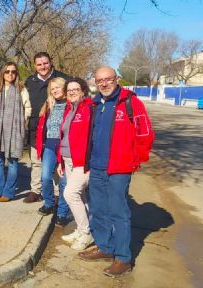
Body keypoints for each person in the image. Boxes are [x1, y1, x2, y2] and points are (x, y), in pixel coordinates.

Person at [78, 67, 154, 277]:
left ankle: (122, 258)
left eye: (108, 79)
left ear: (117, 79)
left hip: (119, 168)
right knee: (98, 209)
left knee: (118, 213)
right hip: (97, 167)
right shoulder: (94, 104)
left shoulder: (130, 102)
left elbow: (145, 133)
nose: (104, 84)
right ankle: (105, 247)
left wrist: (135, 160)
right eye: (99, 80)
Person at [23, 52, 70, 203]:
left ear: (50, 62)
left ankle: (56, 193)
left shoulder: (63, 79)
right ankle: (35, 190)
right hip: (35, 128)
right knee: (36, 161)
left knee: (56, 162)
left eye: (45, 63)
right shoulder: (30, 81)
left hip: (56, 130)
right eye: (39, 64)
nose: (43, 67)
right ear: (34, 66)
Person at [56, 78, 93, 250]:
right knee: (81, 197)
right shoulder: (68, 109)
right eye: (69, 89)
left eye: (75, 89)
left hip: (82, 161)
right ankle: (80, 230)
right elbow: (63, 136)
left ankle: (86, 233)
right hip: (67, 159)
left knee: (70, 194)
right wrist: (60, 161)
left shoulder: (89, 108)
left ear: (83, 90)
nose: (71, 92)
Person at [0, 62, 31, 202]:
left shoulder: (21, 89)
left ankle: (8, 192)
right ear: (3, 73)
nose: (10, 74)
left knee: (13, 162)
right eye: (7, 71)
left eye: (13, 71)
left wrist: (21, 122)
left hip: (14, 130)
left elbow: (28, 107)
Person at [34, 77, 69, 225]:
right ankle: (48, 204)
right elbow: (42, 126)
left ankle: (62, 213)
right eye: (52, 88)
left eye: (57, 87)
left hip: (65, 147)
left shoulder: (71, 104)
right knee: (45, 177)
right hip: (49, 145)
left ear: (64, 88)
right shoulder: (49, 104)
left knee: (64, 182)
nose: (54, 90)